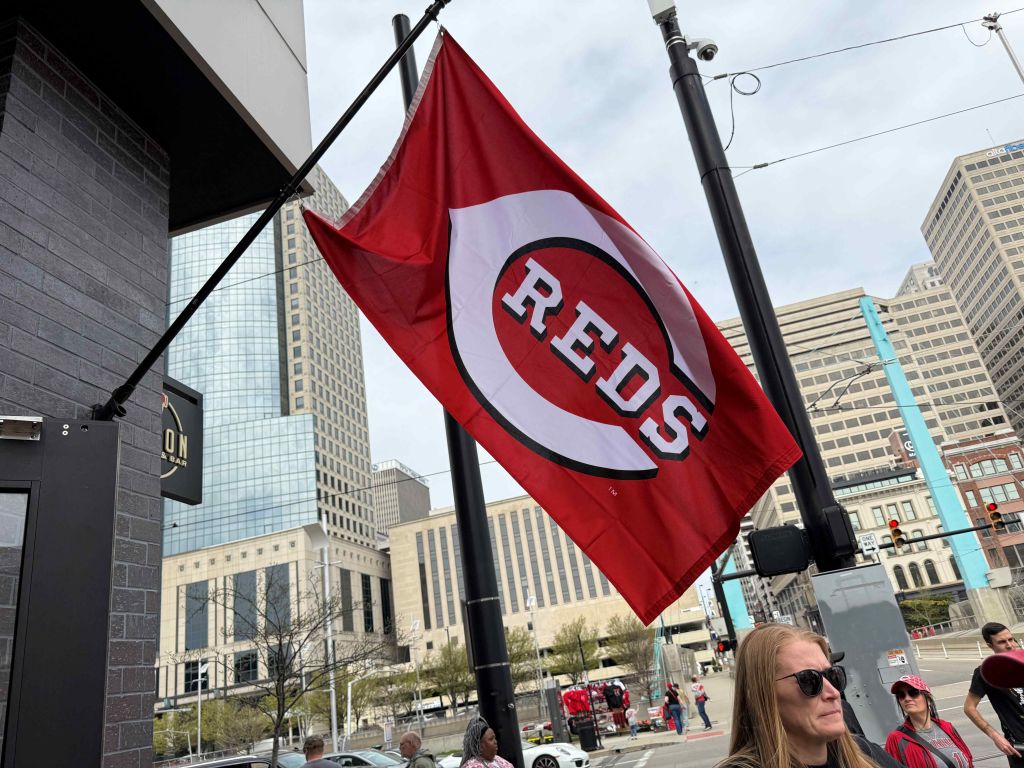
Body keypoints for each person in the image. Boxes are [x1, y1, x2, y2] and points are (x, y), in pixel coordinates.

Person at [716, 623, 882, 768]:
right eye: (809, 680)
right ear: (762, 696)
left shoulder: (866, 753)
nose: (833, 693)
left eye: (833, 675)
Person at [964, 622, 1024, 768]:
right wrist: (995, 736)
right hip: (1020, 748)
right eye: (1002, 642)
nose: (1009, 645)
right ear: (990, 645)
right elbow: (969, 707)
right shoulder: (985, 672)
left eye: (1011, 639)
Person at [886, 674, 973, 768]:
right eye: (901, 695)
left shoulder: (947, 727)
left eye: (913, 692)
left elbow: (969, 759)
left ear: (927, 698)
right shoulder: (896, 739)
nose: (907, 698)